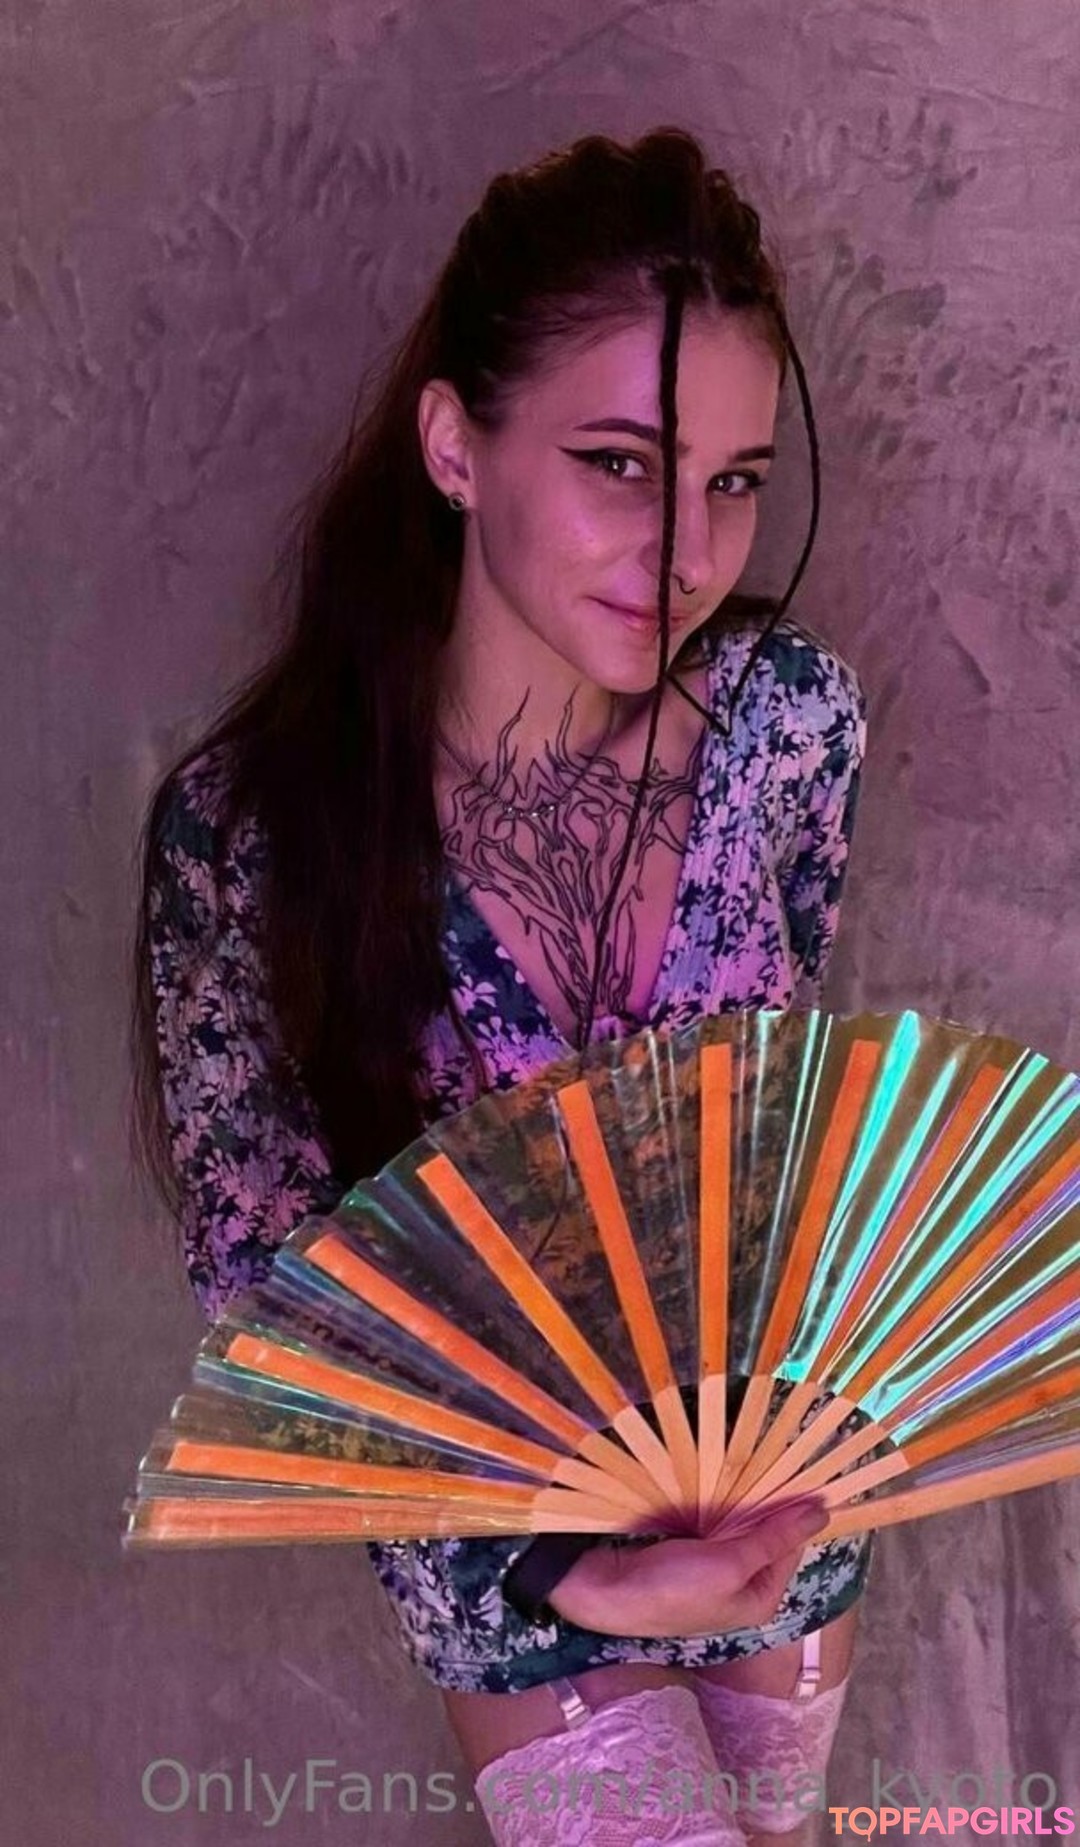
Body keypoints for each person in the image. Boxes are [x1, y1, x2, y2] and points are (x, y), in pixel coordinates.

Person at [132, 128, 870, 1845]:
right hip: (508, 1565)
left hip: (778, 1505)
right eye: (622, 465)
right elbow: (274, 1299)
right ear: (456, 447)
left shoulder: (787, 726)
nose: (687, 552)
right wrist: (555, 1562)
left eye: (735, 482)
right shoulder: (255, 835)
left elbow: (779, 1091)